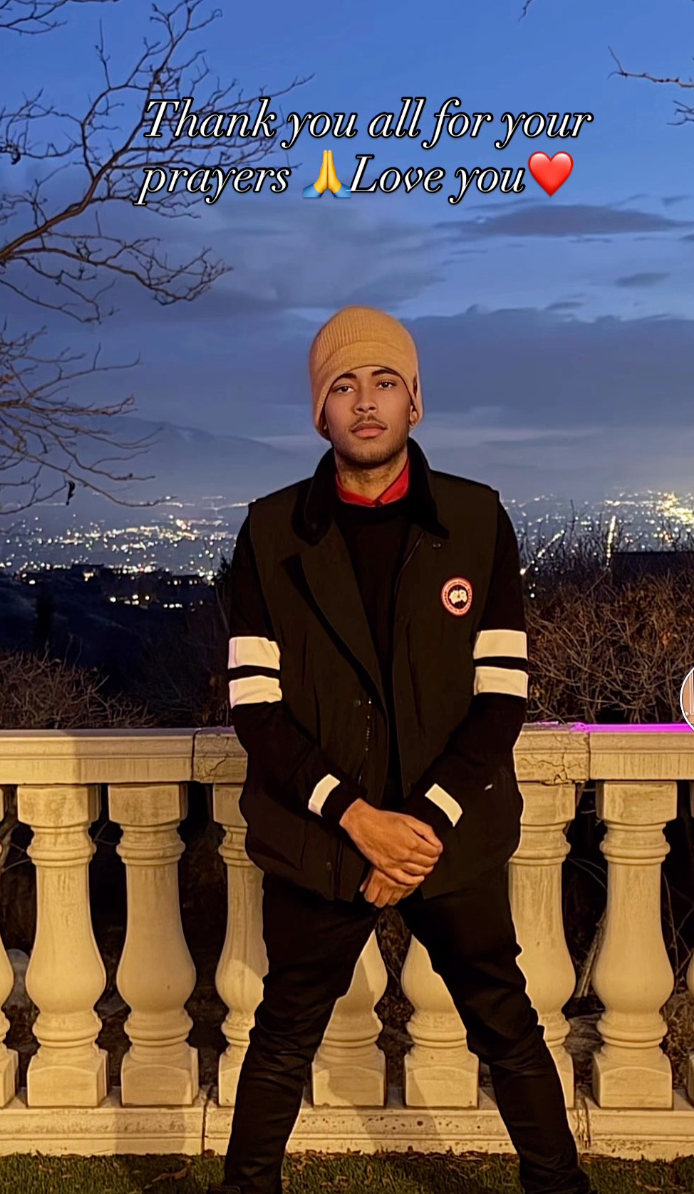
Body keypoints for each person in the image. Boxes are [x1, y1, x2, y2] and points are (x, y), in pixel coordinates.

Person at [209, 306, 596, 1194]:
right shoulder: (271, 534)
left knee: (505, 1022)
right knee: (283, 1035)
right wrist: (355, 818)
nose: (366, 402)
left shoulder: (475, 518)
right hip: (320, 838)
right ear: (320, 413)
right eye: (342, 386)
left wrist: (418, 826)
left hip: (445, 835)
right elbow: (254, 705)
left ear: (416, 401)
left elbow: (503, 693)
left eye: (385, 381)